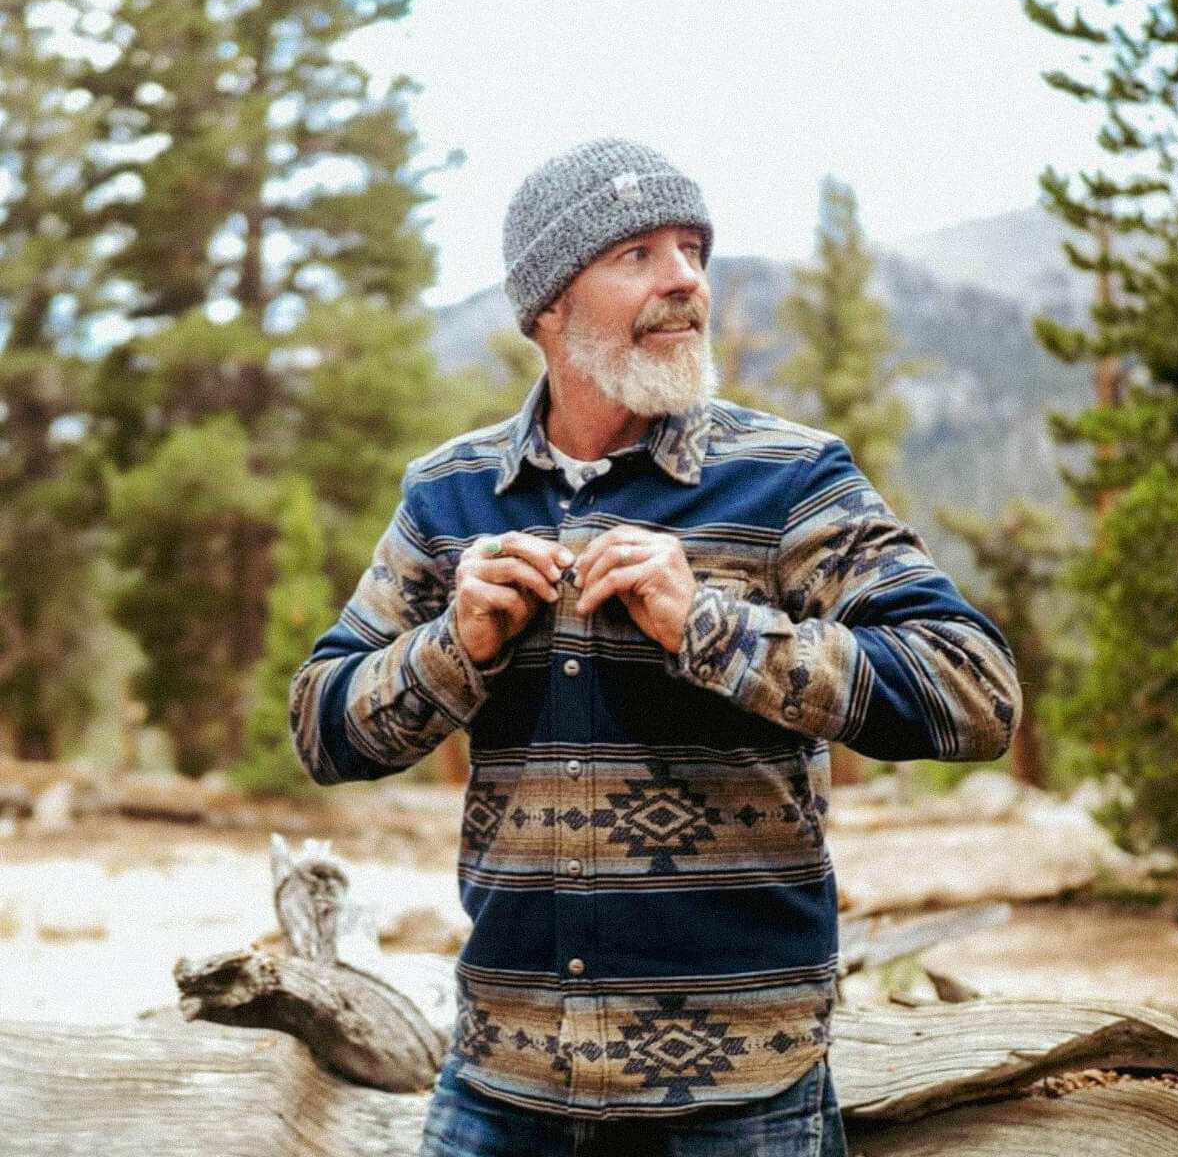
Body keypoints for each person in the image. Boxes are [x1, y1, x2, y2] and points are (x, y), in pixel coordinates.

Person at [289, 137, 1021, 1157]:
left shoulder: (791, 478)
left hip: (742, 1104)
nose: (685, 279)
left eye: (694, 250)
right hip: (501, 1093)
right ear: (549, 305)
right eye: (638, 254)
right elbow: (321, 727)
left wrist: (709, 626)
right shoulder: (451, 496)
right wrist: (454, 646)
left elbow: (976, 691)